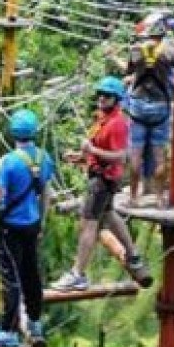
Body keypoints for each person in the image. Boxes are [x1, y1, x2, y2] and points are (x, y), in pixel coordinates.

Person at [52, 78, 151, 292]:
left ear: (116, 100)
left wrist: (92, 152)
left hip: (102, 180)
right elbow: (98, 151)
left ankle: (78, 273)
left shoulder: (117, 124)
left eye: (106, 96)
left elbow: (120, 157)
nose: (101, 99)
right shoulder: (103, 119)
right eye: (100, 95)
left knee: (88, 225)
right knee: (109, 216)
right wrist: (80, 157)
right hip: (103, 176)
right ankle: (132, 254)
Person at [0, 108, 53, 347]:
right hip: (32, 225)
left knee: (11, 279)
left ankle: (8, 331)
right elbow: (46, 194)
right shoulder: (44, 158)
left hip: (11, 227)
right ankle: (34, 322)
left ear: (13, 133)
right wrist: (42, 221)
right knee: (31, 274)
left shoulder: (8, 162)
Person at [124, 13, 174, 204]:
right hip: (160, 106)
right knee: (159, 155)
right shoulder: (169, 51)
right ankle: (161, 198)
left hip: (138, 105)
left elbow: (129, 72)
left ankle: (133, 197)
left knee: (136, 155)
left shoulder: (136, 50)